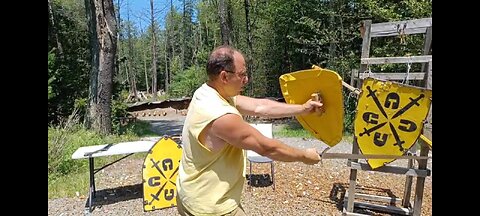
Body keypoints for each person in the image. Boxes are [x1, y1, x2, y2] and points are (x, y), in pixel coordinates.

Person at [176, 45, 323, 216]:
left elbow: (260, 106)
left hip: (193, 194)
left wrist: (303, 109)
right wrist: (305, 156)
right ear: (224, 76)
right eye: (242, 74)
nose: (246, 79)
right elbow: (267, 147)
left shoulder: (209, 92)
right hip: (210, 208)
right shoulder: (219, 114)